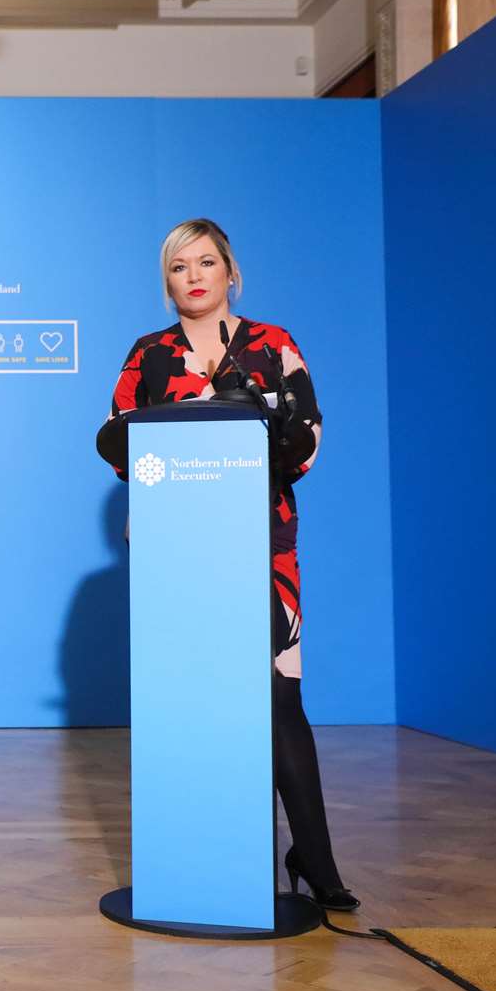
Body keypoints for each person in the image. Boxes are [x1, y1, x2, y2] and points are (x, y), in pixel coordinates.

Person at [102, 217, 358, 911]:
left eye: (206, 262)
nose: (194, 277)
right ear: (168, 282)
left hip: (262, 547)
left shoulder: (272, 346)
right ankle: (200, 858)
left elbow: (305, 441)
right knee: (191, 698)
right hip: (176, 552)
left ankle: (317, 860)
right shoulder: (148, 355)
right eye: (180, 267)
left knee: (280, 700)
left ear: (230, 271)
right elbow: (121, 440)